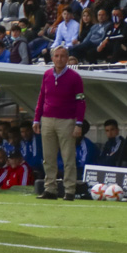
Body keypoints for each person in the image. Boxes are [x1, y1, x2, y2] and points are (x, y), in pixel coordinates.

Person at [33, 46, 85, 201]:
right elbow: (41, 97)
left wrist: (79, 123)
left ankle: (69, 190)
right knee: (48, 157)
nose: (59, 59)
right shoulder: (47, 75)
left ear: (67, 58)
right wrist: (37, 118)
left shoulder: (75, 77)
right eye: (56, 56)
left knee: (68, 157)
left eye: (63, 56)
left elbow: (81, 102)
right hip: (48, 119)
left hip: (67, 121)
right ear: (52, 58)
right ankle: (50, 189)